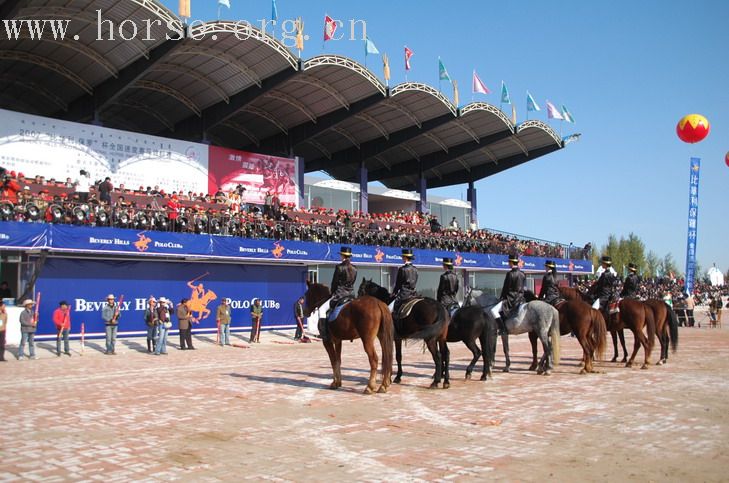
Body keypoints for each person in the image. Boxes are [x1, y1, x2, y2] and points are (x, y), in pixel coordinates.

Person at [590, 256, 618, 322]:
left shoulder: (604, 274)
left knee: (593, 309)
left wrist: (593, 294)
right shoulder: (612, 274)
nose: (602, 264)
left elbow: (599, 286)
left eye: (602, 263)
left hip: (603, 296)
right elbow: (614, 284)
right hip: (611, 295)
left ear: (605, 264)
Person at [392, 248, 418, 320]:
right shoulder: (415, 269)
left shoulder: (402, 269)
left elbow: (398, 284)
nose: (402, 258)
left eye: (403, 257)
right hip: (413, 293)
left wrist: (394, 292)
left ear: (405, 257)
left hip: (404, 294)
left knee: (392, 309)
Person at [500, 254, 526, 322]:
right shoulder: (523, 273)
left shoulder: (510, 274)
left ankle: (503, 328)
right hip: (521, 299)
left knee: (494, 311)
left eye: (509, 262)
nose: (508, 263)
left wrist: (501, 298)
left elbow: (506, 288)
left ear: (511, 262)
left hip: (511, 299)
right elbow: (523, 288)